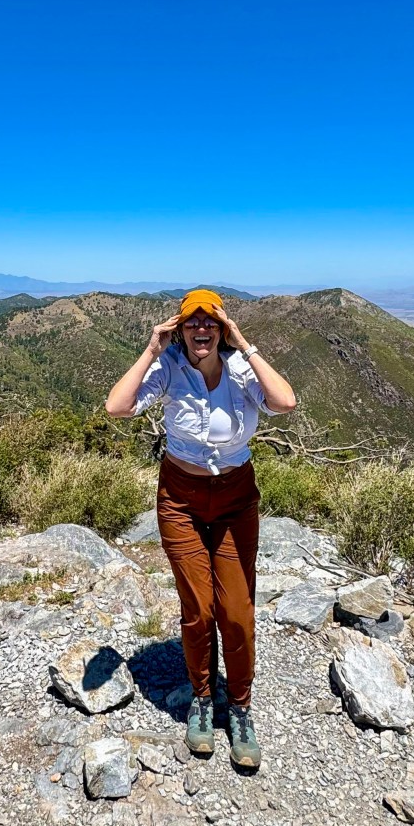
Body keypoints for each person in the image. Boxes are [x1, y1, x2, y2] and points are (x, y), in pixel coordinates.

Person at [105, 288, 296, 770]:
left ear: (223, 328)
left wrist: (245, 343)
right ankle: (203, 699)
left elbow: (285, 402)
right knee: (198, 608)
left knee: (237, 610)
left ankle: (241, 708)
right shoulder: (169, 366)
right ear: (180, 328)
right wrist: (151, 348)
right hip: (180, 500)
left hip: (235, 499)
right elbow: (118, 407)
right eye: (192, 322)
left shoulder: (240, 369)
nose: (201, 330)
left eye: (210, 322)